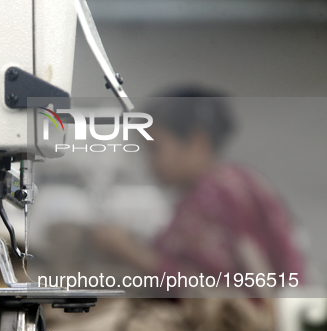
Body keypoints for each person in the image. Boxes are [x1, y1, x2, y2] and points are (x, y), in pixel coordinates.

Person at [93, 86, 306, 295]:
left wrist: (129, 251)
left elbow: (211, 290)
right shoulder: (238, 183)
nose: (150, 163)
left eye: (155, 148)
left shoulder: (214, 197)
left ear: (197, 142)